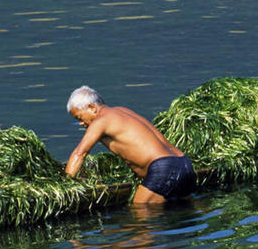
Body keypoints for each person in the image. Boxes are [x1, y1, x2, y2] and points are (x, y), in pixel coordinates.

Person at [64, 85, 195, 204]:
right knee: (187, 209)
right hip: (184, 164)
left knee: (139, 214)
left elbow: (79, 153)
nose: (80, 123)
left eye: (79, 118)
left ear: (92, 108)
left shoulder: (100, 121)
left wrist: (65, 185)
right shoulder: (121, 110)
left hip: (165, 169)